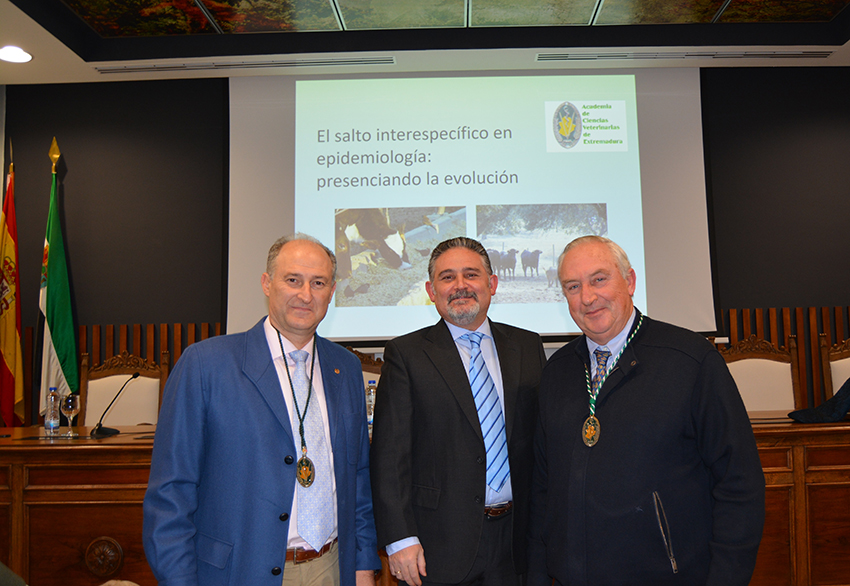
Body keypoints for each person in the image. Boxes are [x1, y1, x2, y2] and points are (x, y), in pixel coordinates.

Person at [143, 234, 381, 586]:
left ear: (332, 292)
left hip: (331, 568)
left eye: (318, 283)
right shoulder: (206, 365)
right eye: (292, 280)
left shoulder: (344, 368)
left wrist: (363, 565)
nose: (305, 294)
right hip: (238, 572)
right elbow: (170, 494)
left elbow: (358, 476)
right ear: (267, 284)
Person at [528, 235, 765, 586]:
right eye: (573, 286)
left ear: (630, 281)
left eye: (599, 279)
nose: (588, 297)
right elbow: (543, 491)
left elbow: (739, 482)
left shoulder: (691, 360)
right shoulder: (556, 371)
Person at [370, 237, 546, 586]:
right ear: (431, 289)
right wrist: (400, 538)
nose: (460, 286)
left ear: (492, 284)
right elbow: (390, 456)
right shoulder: (406, 354)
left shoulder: (527, 345)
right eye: (447, 277)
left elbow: (540, 443)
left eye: (471, 275)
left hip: (516, 544)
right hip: (438, 546)